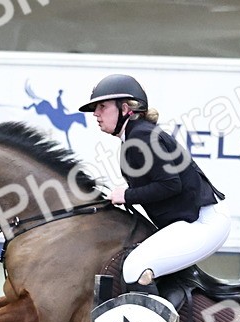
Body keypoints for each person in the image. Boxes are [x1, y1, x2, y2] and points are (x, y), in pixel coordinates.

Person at [79, 74, 230, 294]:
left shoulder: (141, 137)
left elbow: (171, 184)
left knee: (134, 269)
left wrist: (127, 196)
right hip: (192, 222)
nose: (96, 113)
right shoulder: (134, 136)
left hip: (204, 223)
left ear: (126, 109)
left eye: (102, 106)